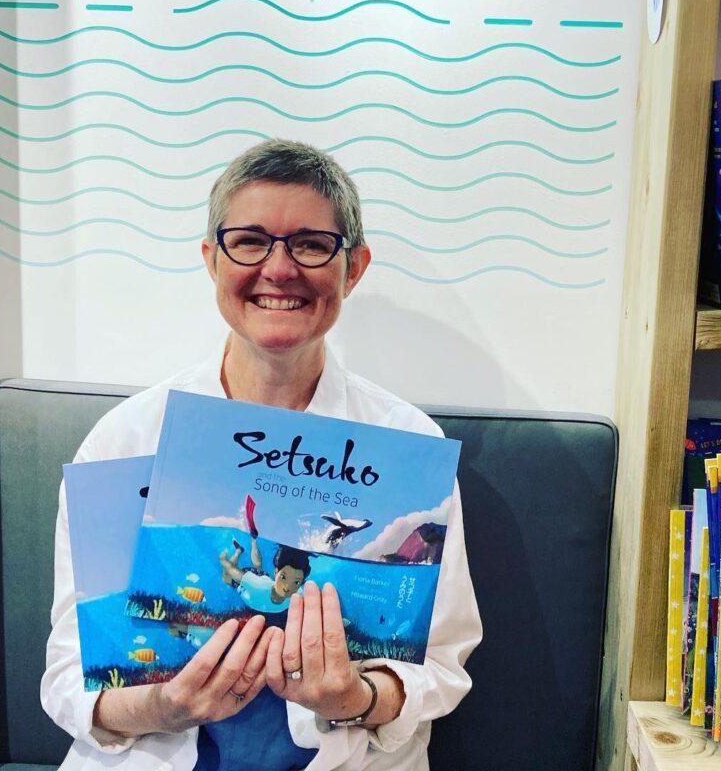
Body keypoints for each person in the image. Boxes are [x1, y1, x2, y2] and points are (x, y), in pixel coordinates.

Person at [42, 139, 482, 771]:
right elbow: (68, 676)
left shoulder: (410, 449)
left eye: (310, 244)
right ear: (212, 260)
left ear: (352, 268)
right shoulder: (124, 440)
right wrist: (166, 704)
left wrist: (355, 697)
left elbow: (442, 664)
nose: (279, 269)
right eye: (249, 241)